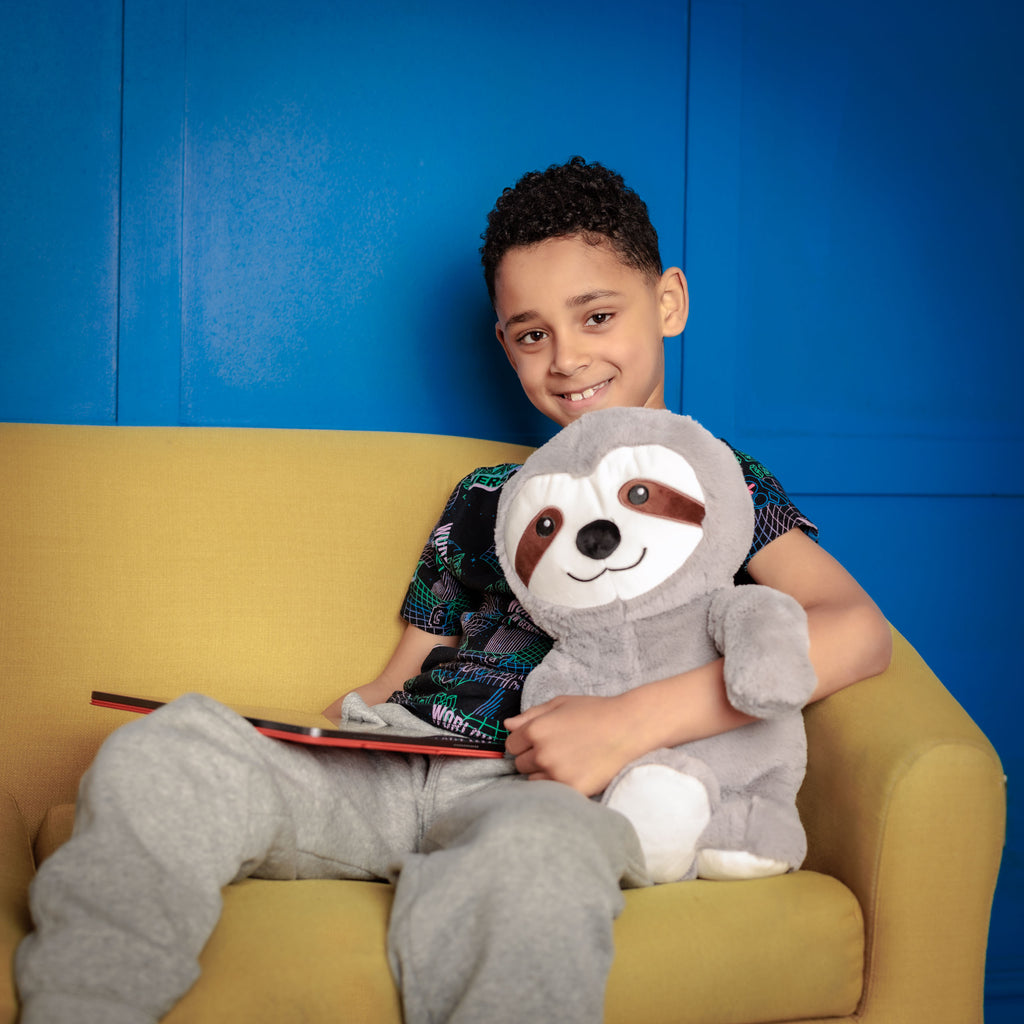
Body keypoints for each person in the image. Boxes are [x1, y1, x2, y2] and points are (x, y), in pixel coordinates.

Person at [15, 157, 892, 1024]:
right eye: (531, 333)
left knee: (535, 864)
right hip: (403, 762)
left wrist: (631, 723)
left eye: (596, 315)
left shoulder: (722, 485)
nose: (567, 357)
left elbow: (856, 631)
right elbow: (400, 673)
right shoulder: (487, 498)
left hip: (548, 796)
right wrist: (330, 732)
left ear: (668, 302)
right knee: (171, 749)